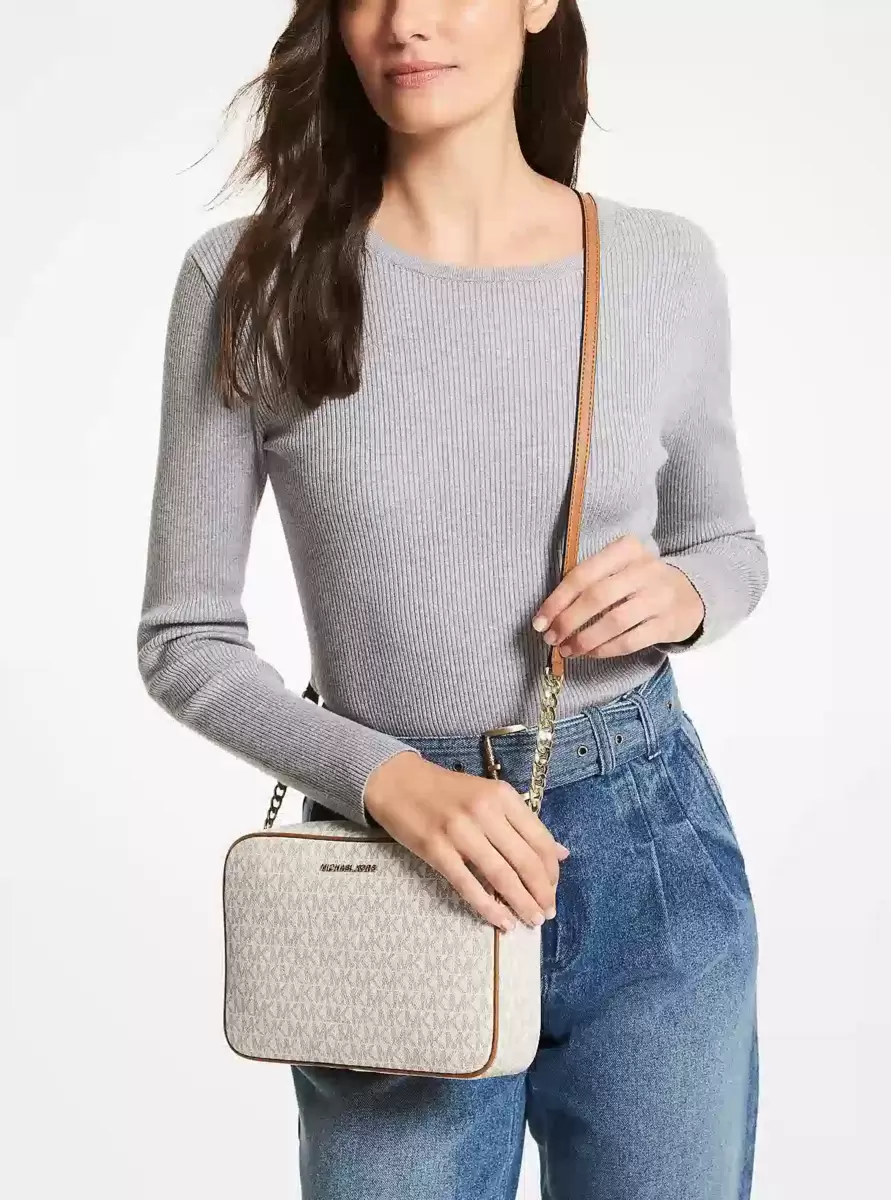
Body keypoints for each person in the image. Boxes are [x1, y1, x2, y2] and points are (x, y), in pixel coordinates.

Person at [136, 0, 769, 1195]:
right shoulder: (250, 279)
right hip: (387, 867)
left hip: (646, 853)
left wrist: (681, 594)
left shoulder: (658, 265)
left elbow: (728, 545)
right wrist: (392, 783)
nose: (406, 22)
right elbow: (187, 641)